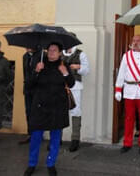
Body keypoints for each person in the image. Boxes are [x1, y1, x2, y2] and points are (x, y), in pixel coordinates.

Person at [23, 42, 75, 176]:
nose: (51, 52)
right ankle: (32, 164)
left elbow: (71, 83)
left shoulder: (64, 65)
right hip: (40, 106)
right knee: (36, 136)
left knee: (55, 137)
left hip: (57, 106)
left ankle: (51, 163)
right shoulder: (39, 63)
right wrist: (36, 71)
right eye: (49, 50)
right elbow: (28, 84)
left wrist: (65, 74)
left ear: (59, 53)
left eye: (54, 50)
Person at [62, 41, 90, 152]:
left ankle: (75, 139)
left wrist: (79, 67)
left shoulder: (80, 54)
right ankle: (57, 138)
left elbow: (86, 71)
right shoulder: (59, 53)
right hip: (60, 86)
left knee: (75, 111)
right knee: (59, 111)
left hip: (75, 86)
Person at [20, 48, 41, 144]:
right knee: (28, 111)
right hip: (28, 88)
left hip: (38, 89)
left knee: (38, 113)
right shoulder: (25, 56)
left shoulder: (42, 56)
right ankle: (30, 133)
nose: (27, 47)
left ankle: (38, 135)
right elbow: (25, 73)